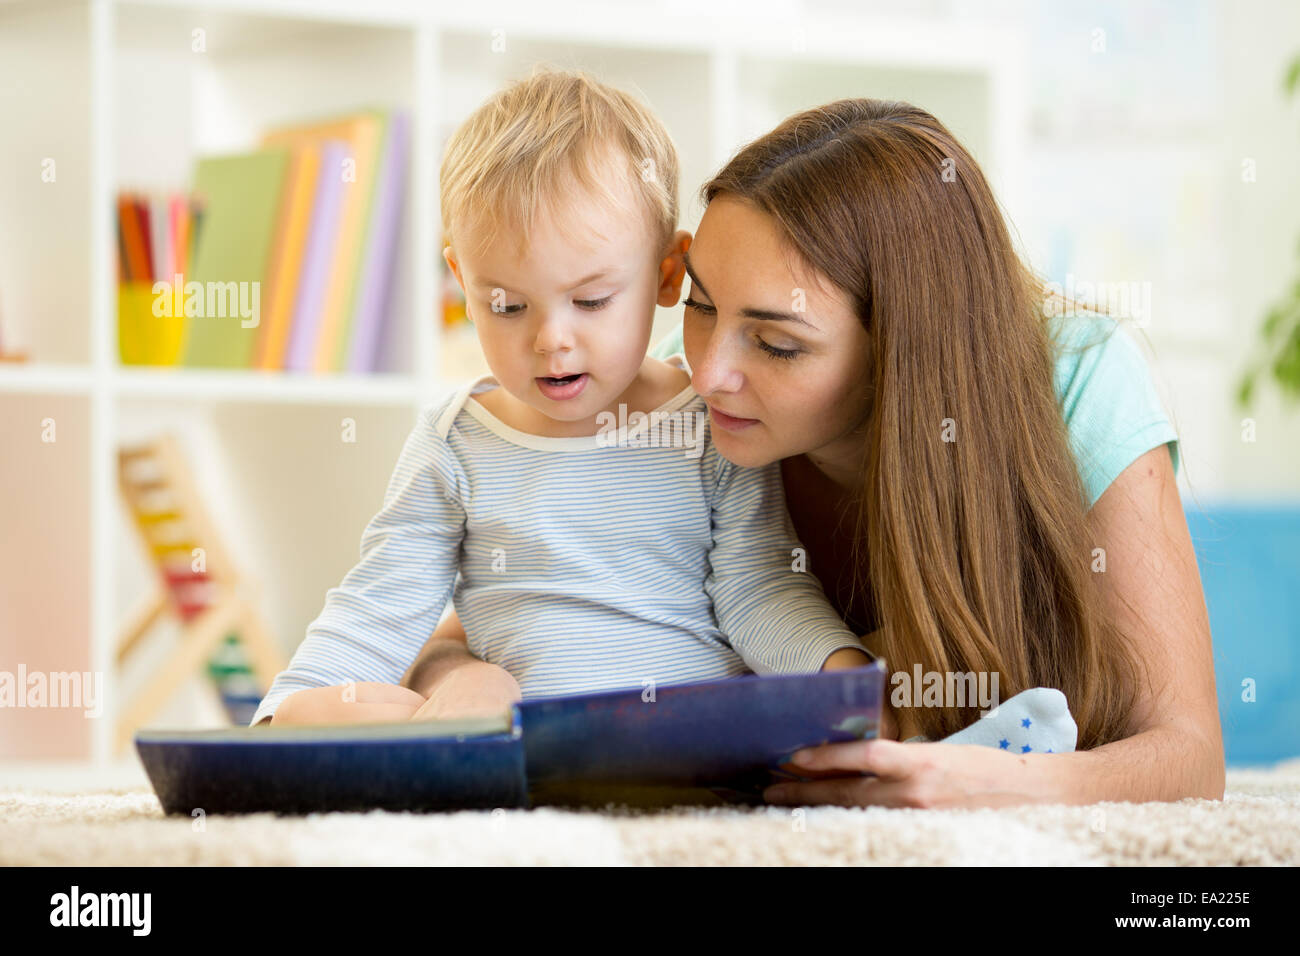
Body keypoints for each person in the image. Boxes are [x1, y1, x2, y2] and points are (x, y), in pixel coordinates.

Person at [407, 98, 1225, 807]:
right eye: (699, 304)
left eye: (776, 342)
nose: (710, 368)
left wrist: (995, 785)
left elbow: (1189, 756)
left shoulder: (1078, 380)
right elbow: (474, 620)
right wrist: (461, 680)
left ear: (905, 350)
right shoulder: (679, 404)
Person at [250, 69, 876, 729]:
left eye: (591, 301)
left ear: (667, 276)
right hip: (518, 757)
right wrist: (289, 708)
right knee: (363, 721)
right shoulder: (457, 441)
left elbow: (761, 588)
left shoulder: (707, 424)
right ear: (462, 281)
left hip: (685, 753)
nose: (552, 340)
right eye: (508, 304)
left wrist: (846, 681)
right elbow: (382, 604)